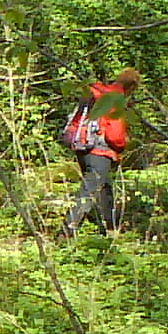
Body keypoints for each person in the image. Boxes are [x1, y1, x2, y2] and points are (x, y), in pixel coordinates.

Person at [62, 68, 139, 237]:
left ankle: (110, 228)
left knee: (104, 189)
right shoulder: (115, 99)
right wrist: (121, 146)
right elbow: (115, 135)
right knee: (89, 191)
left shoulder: (99, 93)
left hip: (82, 147)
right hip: (101, 152)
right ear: (132, 87)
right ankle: (66, 231)